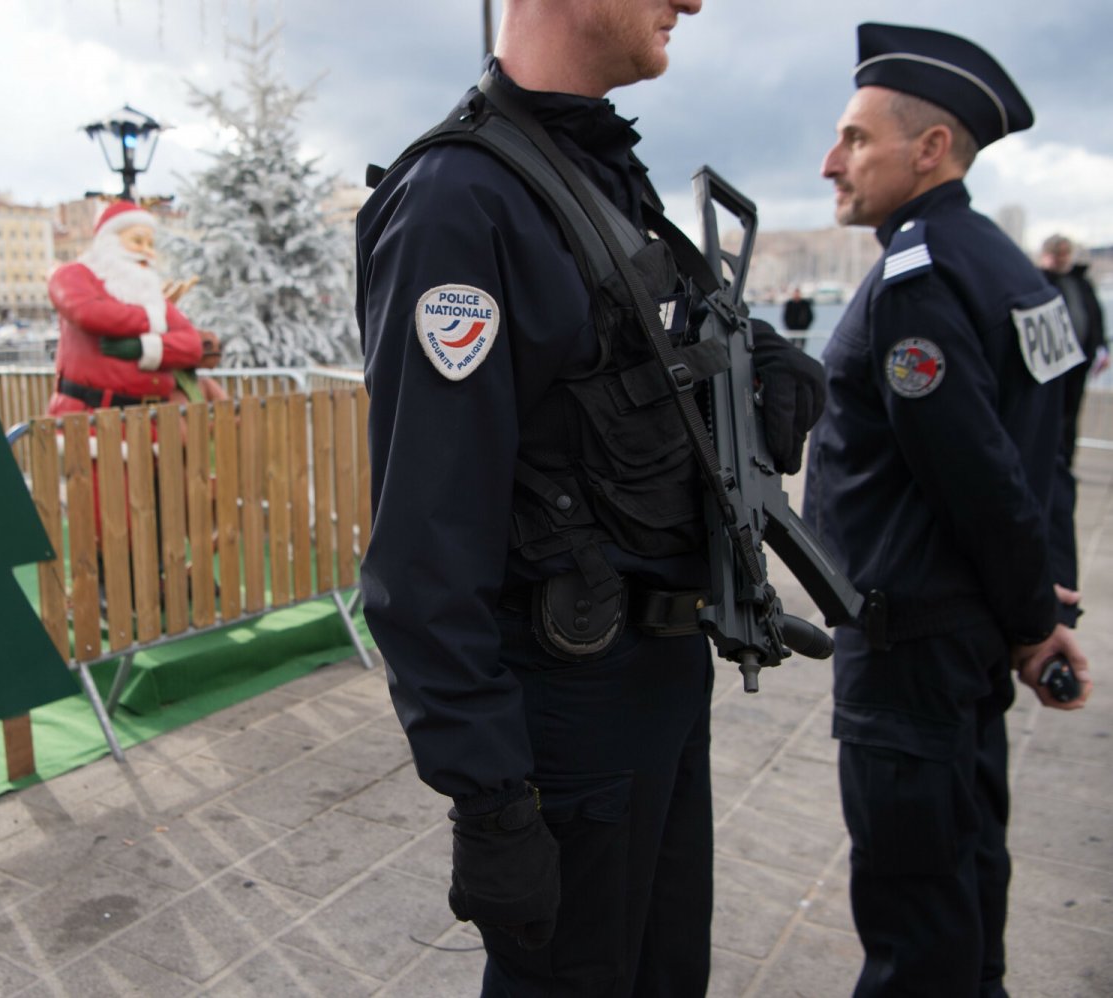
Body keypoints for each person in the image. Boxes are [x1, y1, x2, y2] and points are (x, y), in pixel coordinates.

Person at [356, 1, 825, 994]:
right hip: (570, 715)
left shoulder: (596, 171)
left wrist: (752, 368)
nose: (693, 2)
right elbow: (423, 552)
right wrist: (490, 803)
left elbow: (639, 356)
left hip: (659, 681)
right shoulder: (459, 200)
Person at [802, 23, 1093, 997]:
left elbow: (981, 475)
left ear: (930, 149)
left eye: (856, 139)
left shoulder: (916, 284)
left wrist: (1033, 619)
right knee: (969, 894)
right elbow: (1048, 460)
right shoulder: (1012, 271)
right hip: (962, 645)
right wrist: (1049, 601)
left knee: (917, 925)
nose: (830, 161)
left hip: (911, 655)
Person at [46, 199, 221, 417]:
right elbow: (88, 314)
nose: (147, 252)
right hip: (90, 417)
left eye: (150, 244)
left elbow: (192, 345)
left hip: (151, 421)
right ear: (109, 241)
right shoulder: (74, 275)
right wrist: (151, 319)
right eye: (137, 242)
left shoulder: (149, 295)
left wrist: (145, 347)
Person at [1039, 233, 1108, 462]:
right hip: (1051, 363)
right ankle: (1049, 457)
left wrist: (1101, 349)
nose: (1062, 258)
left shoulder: (1082, 283)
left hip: (1080, 359)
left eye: (1065, 253)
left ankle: (1066, 459)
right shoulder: (1040, 281)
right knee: (1048, 411)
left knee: (1072, 411)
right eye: (1057, 254)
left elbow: (1095, 317)